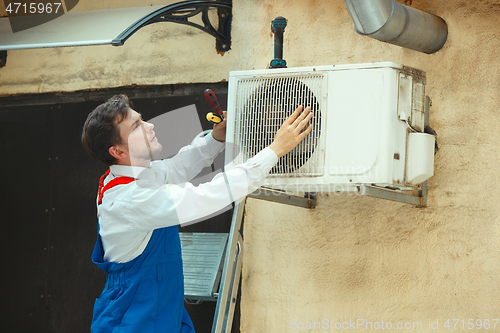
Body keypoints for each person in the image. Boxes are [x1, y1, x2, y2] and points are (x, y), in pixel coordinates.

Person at [81, 94, 313, 333]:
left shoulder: (134, 176)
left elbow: (176, 167)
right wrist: (274, 150)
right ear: (118, 151)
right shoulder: (131, 199)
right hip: (134, 318)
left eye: (143, 120)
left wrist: (215, 137)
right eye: (136, 126)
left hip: (158, 308)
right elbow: (205, 197)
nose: (149, 126)